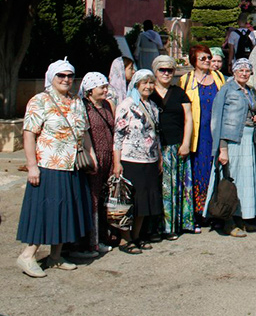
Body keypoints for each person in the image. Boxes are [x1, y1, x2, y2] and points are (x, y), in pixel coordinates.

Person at [16, 60, 96, 278]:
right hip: (49, 165)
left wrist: (91, 155)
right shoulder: (39, 101)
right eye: (61, 75)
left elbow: (85, 132)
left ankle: (55, 256)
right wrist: (32, 166)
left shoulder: (77, 101)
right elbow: (29, 134)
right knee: (45, 211)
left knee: (66, 210)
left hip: (73, 166)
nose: (66, 79)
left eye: (70, 76)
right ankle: (28, 255)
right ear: (51, 76)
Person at [205, 58, 256, 237]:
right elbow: (217, 119)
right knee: (230, 181)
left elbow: (250, 111)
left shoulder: (250, 91)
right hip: (232, 141)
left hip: (248, 140)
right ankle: (227, 221)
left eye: (247, 70)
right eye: (241, 70)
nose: (244, 73)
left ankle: (241, 218)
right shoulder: (227, 90)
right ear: (234, 71)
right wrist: (222, 147)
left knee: (245, 182)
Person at [113, 69, 163, 253]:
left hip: (149, 159)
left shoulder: (152, 106)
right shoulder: (126, 105)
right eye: (145, 83)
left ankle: (137, 235)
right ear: (136, 85)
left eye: (151, 83)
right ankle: (124, 239)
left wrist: (159, 157)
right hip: (130, 159)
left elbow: (155, 134)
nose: (149, 86)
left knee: (145, 200)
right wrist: (117, 162)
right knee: (130, 201)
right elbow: (117, 137)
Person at [180, 45, 226, 228]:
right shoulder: (186, 80)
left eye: (209, 58)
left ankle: (214, 212)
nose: (208, 61)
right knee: (198, 173)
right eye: (203, 59)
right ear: (194, 61)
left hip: (214, 132)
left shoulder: (219, 77)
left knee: (215, 172)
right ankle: (198, 214)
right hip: (197, 135)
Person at [150, 55, 194, 239]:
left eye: (170, 70)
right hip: (153, 149)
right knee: (156, 189)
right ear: (155, 72)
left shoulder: (179, 93)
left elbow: (188, 118)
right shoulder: (148, 91)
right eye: (162, 70)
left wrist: (186, 143)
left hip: (175, 146)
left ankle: (171, 226)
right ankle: (153, 228)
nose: (166, 73)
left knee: (174, 188)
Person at [79, 72, 117, 256]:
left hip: (108, 158)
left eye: (105, 86)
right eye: (101, 87)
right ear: (89, 90)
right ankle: (90, 243)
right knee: (92, 201)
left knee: (104, 200)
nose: (105, 89)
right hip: (94, 160)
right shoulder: (83, 108)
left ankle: (103, 237)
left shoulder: (107, 105)